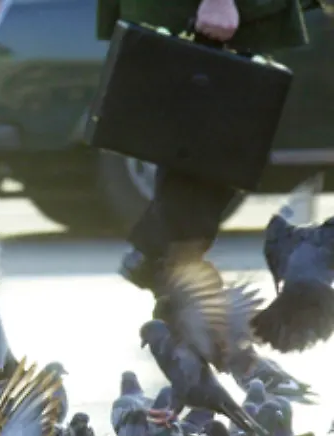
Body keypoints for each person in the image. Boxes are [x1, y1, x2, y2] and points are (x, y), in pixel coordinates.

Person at [96, 0, 311, 292]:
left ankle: (163, 269)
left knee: (204, 146)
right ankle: (165, 271)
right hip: (212, 13)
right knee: (211, 143)